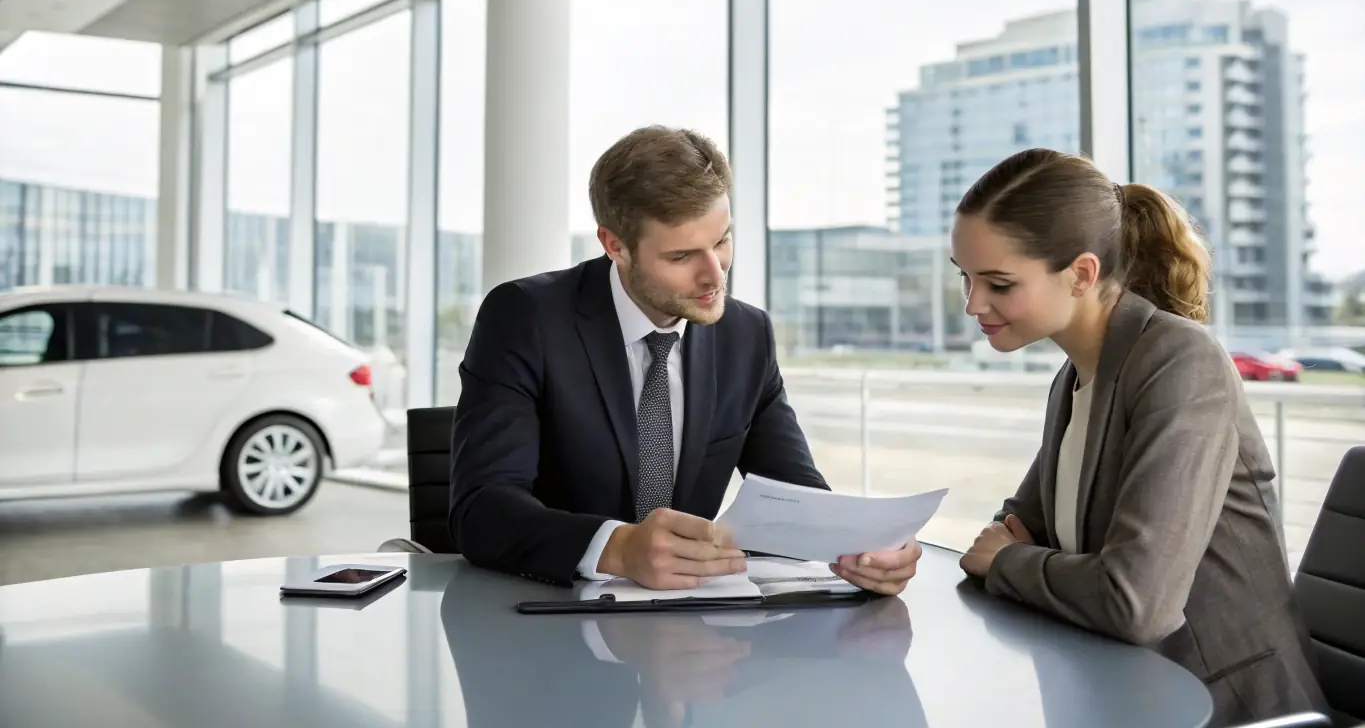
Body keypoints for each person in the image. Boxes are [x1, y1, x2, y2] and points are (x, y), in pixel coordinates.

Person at [448, 126, 921, 593]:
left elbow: (797, 500)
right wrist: (617, 548)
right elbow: (482, 508)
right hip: (543, 624)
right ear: (615, 246)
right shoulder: (527, 317)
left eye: (722, 242)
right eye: (681, 256)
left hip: (691, 632)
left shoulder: (745, 334)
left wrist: (863, 548)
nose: (714, 275)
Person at [952, 148, 1326, 727]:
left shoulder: (1180, 362)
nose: (974, 304)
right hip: (1119, 689)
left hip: (1221, 705)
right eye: (966, 278)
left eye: (998, 283)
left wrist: (1015, 563)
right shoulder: (1077, 376)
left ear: (1081, 274)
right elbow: (1006, 534)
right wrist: (1021, 558)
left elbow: (1136, 603)